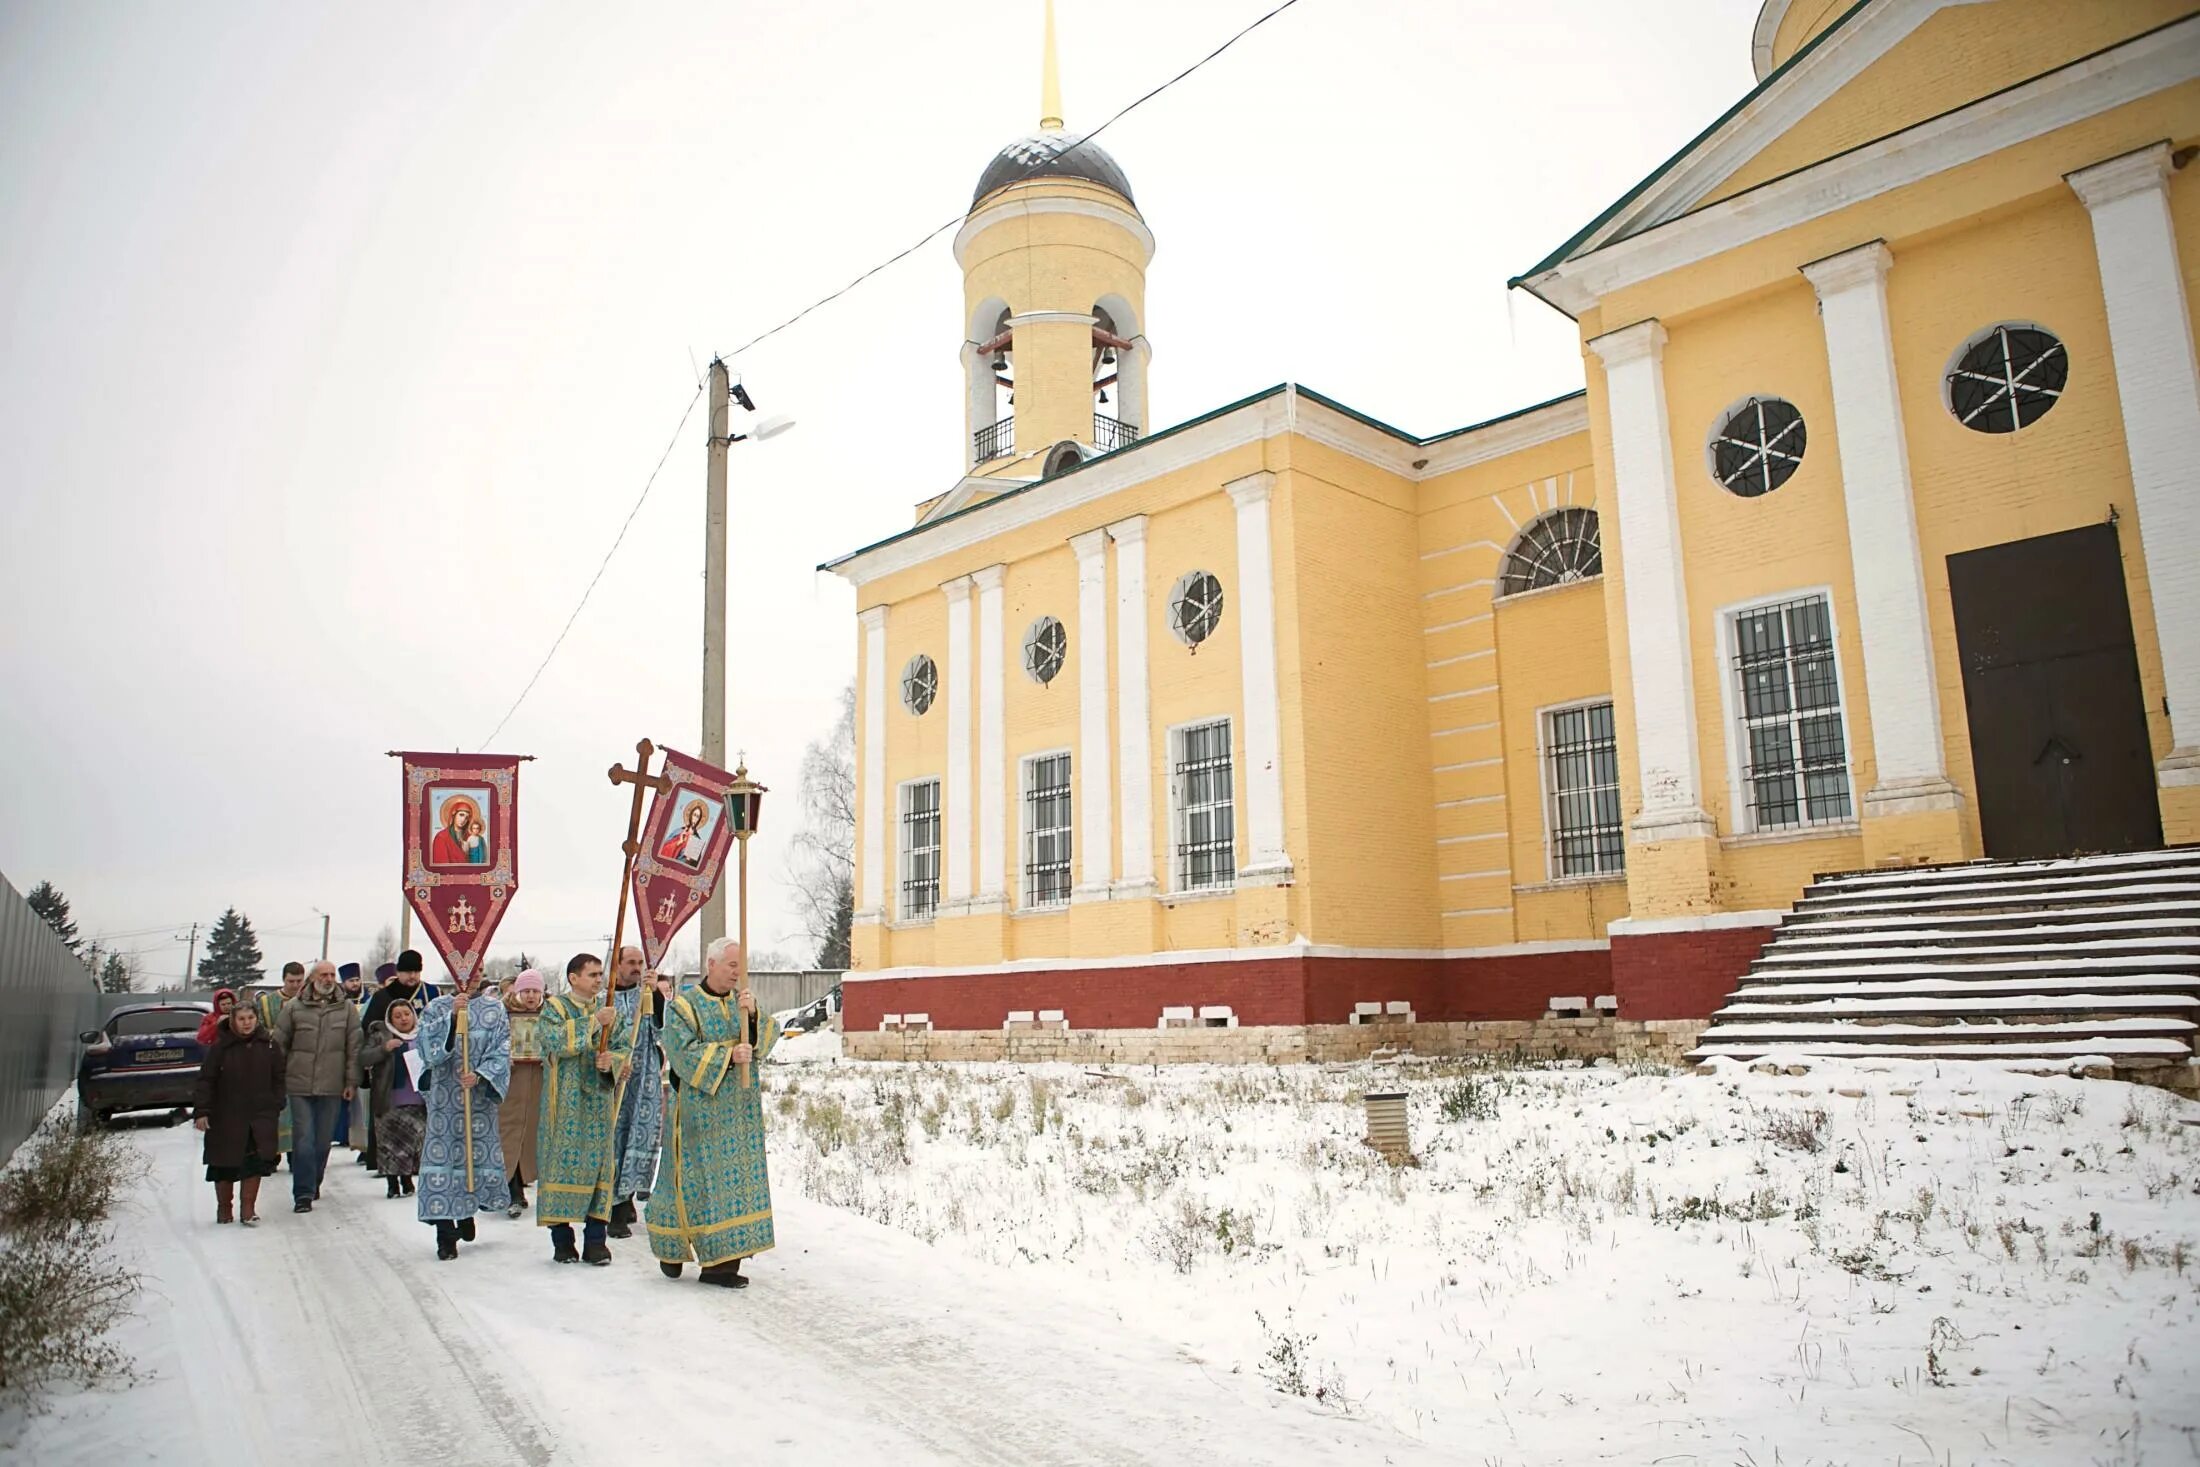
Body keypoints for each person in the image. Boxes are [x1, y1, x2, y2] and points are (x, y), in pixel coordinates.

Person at [648, 937, 780, 1288]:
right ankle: (673, 1247)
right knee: (694, 1183)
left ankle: (722, 1265)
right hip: (698, 1112)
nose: (739, 972)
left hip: (739, 1113)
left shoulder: (742, 1002)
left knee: (734, 1186)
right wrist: (727, 1055)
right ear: (711, 964)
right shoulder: (685, 1006)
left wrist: (752, 1017)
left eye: (742, 966)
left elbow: (767, 1037)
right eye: (732, 965)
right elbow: (679, 1051)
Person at [534, 952, 631, 1266]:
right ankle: (562, 1242)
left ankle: (595, 1243)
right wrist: (592, 1023)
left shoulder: (608, 1012)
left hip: (597, 1105)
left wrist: (611, 1064)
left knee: (601, 1167)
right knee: (560, 1166)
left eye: (601, 974)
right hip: (564, 1105)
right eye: (592, 974)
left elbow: (621, 1048)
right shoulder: (555, 1008)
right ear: (574, 977)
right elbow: (554, 1042)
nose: (598, 980)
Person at [415, 970, 510, 1260]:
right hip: (444, 1102)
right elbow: (425, 1050)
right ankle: (445, 1234)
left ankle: (466, 1213)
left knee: (472, 1160)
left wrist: (481, 1075)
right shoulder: (436, 1008)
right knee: (443, 1163)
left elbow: (503, 1048)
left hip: (477, 1100)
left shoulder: (495, 1009)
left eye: (476, 972)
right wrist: (453, 1019)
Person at [271, 961, 359, 1213]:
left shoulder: (347, 1009)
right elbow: (279, 1044)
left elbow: (354, 1048)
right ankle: (303, 1194)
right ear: (312, 978)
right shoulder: (294, 1008)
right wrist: (278, 1079)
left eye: (332, 975)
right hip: (299, 1085)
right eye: (324, 974)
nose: (329, 979)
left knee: (322, 1143)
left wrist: (351, 1081)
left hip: (332, 1086)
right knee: (304, 1140)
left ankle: (314, 1180)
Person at [193, 1000, 285, 1226]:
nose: (246, 1023)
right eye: (241, 1019)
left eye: (250, 1018)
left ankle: (248, 1209)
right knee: (224, 1163)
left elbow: (279, 1077)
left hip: (259, 1115)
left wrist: (275, 1103)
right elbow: (206, 1080)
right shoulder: (220, 1047)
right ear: (233, 1021)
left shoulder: (270, 1045)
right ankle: (224, 1209)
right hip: (226, 1115)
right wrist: (202, 1111)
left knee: (254, 1161)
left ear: (257, 1019)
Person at [607, 946, 669, 1239]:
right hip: (614, 1079)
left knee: (639, 1137)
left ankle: (628, 1195)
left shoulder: (646, 995)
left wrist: (655, 993)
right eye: (630, 962)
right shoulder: (603, 997)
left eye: (639, 962)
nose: (636, 967)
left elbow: (661, 1028)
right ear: (617, 965)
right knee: (615, 1140)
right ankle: (614, 1207)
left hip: (643, 1076)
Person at [361, 999, 427, 1199]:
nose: (403, 1019)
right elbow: (363, 1058)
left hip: (417, 1099)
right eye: (397, 1016)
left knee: (412, 1142)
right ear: (390, 1020)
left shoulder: (423, 1036)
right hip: (389, 1099)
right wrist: (384, 1049)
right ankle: (392, 1182)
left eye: (406, 1014)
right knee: (390, 1144)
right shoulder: (381, 1036)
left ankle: (407, 1180)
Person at [499, 969, 548, 1219]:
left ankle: (524, 1181)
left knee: (531, 1133)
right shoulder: (503, 1013)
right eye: (526, 991)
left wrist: (549, 1056)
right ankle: (511, 1188)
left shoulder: (549, 1015)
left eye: (535, 991)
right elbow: (494, 1041)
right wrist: (502, 1057)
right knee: (510, 1133)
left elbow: (554, 1041)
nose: (530, 996)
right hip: (511, 1081)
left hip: (538, 1079)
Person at [332, 962, 364, 1151]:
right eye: (351, 981)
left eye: (357, 980)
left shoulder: (368, 999)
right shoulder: (338, 1001)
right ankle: (341, 1134)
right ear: (343, 983)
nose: (355, 984)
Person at [430, 797, 489, 865]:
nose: (463, 819)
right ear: (454, 815)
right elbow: (441, 864)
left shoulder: (469, 836)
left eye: (466, 818)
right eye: (461, 815)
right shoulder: (441, 837)